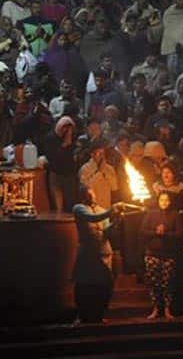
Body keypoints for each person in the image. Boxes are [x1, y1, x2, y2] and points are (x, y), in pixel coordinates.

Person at [73, 187, 123, 323]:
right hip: (88, 252)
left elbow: (106, 231)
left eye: (92, 192)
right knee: (84, 284)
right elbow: (93, 218)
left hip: (103, 251)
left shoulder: (102, 210)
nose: (91, 195)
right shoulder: (78, 208)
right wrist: (111, 211)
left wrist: (116, 221)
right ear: (82, 195)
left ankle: (99, 314)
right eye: (87, 193)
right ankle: (83, 315)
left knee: (104, 284)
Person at [141, 192, 182, 319]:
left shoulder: (175, 215)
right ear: (158, 201)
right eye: (162, 200)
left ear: (170, 201)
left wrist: (165, 233)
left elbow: (180, 234)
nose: (164, 202)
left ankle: (167, 309)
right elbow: (142, 231)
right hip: (152, 254)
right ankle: (156, 308)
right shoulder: (151, 214)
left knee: (167, 282)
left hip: (168, 255)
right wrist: (155, 232)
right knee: (154, 282)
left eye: (167, 200)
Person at [43, 116, 77, 212]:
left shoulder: (73, 137)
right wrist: (65, 145)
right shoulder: (50, 138)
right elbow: (52, 158)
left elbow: (73, 156)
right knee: (58, 205)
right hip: (56, 173)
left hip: (69, 174)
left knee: (70, 202)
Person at [79, 141, 118, 210]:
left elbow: (114, 187)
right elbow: (87, 187)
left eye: (103, 154)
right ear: (92, 154)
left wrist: (105, 173)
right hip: (91, 207)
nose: (101, 156)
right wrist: (100, 172)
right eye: (98, 153)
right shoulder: (85, 168)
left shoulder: (110, 168)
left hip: (106, 207)